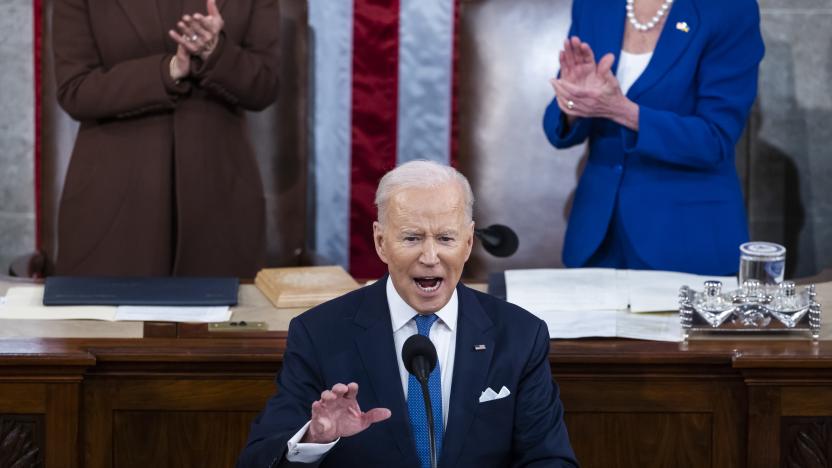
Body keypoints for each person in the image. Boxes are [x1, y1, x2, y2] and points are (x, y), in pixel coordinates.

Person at [237, 161, 577, 467]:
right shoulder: (319, 334)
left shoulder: (519, 334)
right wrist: (313, 440)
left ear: (469, 242)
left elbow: (549, 458)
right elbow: (258, 459)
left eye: (446, 238)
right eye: (412, 238)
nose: (430, 257)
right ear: (381, 242)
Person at [52, 0, 280, 277]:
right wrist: (168, 70)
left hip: (219, 205)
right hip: (112, 207)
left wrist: (216, 53)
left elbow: (266, 85)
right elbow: (75, 90)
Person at [543, 0, 765, 276]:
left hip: (684, 238)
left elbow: (715, 138)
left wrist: (626, 112)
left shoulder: (728, 8)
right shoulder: (594, 5)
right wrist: (575, 102)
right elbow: (557, 126)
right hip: (597, 239)